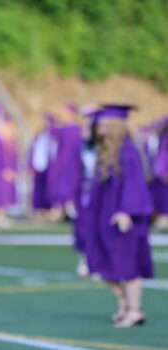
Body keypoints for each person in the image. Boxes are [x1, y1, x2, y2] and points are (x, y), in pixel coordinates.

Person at [86, 105, 154, 328]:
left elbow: (135, 185)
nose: (100, 131)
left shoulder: (128, 151)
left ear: (116, 127)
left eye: (104, 126)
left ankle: (134, 310)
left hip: (124, 218)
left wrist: (127, 211)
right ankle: (124, 303)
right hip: (105, 215)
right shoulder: (106, 152)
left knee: (128, 265)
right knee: (99, 263)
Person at [72, 107, 100, 277]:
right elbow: (73, 173)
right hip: (85, 192)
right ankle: (86, 259)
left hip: (101, 193)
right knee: (85, 226)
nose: (83, 131)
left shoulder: (105, 148)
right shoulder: (80, 147)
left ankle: (98, 262)